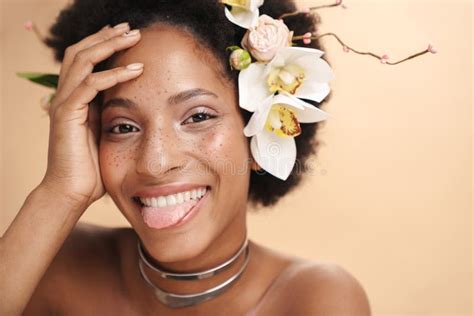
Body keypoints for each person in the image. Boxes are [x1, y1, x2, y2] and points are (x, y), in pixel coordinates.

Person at [0, 0, 372, 314]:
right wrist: (60, 192)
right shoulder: (54, 263)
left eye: (198, 117)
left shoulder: (313, 299)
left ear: (262, 137)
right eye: (123, 126)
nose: (155, 162)